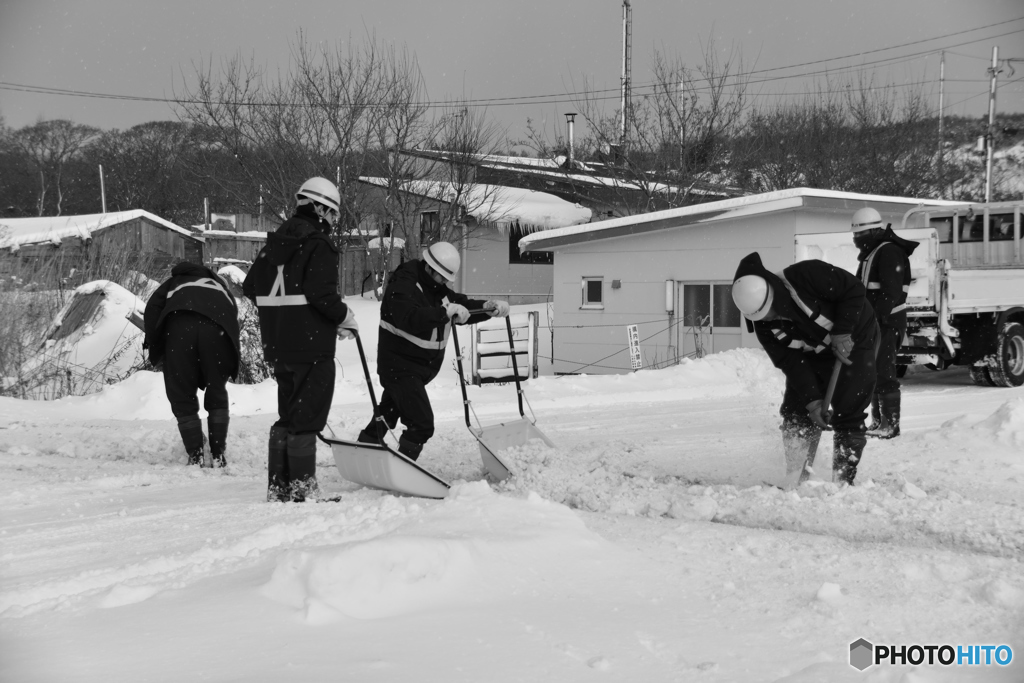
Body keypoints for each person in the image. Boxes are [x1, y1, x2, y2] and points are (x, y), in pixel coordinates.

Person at [243, 177, 358, 502]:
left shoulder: (273, 245)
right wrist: (342, 317)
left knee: (289, 414)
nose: (334, 222)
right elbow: (321, 295)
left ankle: (279, 488)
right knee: (307, 418)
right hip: (311, 348)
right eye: (334, 214)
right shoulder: (318, 244)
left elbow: (252, 288)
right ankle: (302, 490)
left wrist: (288, 317)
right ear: (320, 208)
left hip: (279, 346)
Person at [732, 252, 878, 486]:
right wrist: (813, 402)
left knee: (850, 404)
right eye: (762, 317)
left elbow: (854, 290)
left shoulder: (807, 275)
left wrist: (843, 330)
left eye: (771, 311)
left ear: (774, 294)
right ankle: (797, 478)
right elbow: (791, 363)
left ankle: (843, 481)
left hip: (856, 337)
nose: (770, 319)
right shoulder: (764, 327)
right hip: (814, 354)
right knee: (795, 410)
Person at [356, 241, 510, 461]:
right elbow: (409, 318)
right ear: (429, 267)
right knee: (422, 424)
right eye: (442, 277)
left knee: (389, 413)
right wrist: (443, 313)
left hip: (417, 369)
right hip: (399, 366)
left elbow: (459, 305)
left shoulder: (436, 288)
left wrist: (487, 308)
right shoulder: (404, 285)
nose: (445, 282)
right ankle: (403, 468)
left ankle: (363, 451)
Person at [144, 261, 240, 468]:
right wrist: (231, 353)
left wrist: (154, 344)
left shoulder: (172, 284)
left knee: (181, 391)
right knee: (217, 388)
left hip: (179, 331)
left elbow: (152, 310)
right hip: (217, 331)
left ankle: (195, 453)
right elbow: (232, 315)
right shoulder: (217, 285)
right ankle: (217, 453)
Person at [851, 207, 917, 439]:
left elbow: (890, 293)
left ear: (871, 232)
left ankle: (890, 424)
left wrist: (874, 319)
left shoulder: (889, 252)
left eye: (859, 235)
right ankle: (879, 422)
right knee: (875, 373)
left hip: (886, 322)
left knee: (884, 372)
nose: (856, 239)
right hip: (877, 322)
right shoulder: (874, 251)